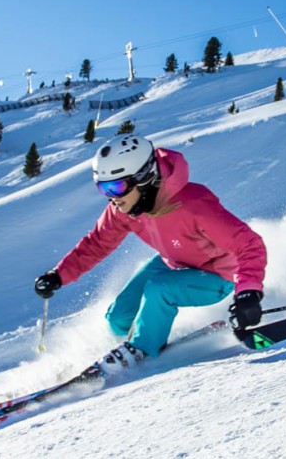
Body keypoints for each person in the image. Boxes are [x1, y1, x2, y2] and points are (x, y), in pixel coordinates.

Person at [34, 136, 267, 363]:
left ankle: (140, 351)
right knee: (118, 316)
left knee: (160, 289)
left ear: (144, 178)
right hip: (175, 262)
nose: (112, 198)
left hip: (218, 274)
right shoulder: (125, 208)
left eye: (116, 186)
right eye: (103, 189)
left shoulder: (194, 204)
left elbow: (249, 244)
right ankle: (124, 344)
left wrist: (248, 291)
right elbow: (96, 243)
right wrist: (59, 274)